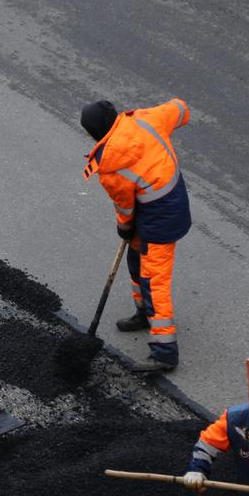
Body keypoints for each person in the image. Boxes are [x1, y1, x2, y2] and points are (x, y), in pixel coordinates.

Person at [80, 97, 192, 373]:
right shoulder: (144, 118)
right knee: (135, 260)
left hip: (160, 215)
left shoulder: (109, 164)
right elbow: (179, 108)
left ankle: (165, 353)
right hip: (164, 200)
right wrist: (179, 113)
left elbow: (124, 206)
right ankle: (144, 313)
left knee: (154, 279)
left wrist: (125, 227)